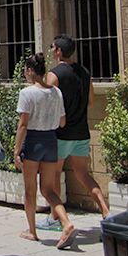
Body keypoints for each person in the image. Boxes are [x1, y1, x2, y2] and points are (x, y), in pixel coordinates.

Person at [13, 53, 77, 247]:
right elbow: (62, 121)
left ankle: (32, 231)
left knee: (30, 189)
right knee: (49, 189)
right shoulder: (56, 92)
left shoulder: (27, 93)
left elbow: (23, 125)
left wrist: (16, 152)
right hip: (51, 140)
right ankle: (65, 223)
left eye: (25, 70)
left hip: (33, 141)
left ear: (31, 71)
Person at [45, 33, 111, 219]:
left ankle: (56, 218)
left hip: (61, 133)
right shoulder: (85, 73)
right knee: (83, 174)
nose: (51, 50)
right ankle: (105, 211)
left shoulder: (54, 74)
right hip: (82, 131)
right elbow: (90, 103)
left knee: (56, 173)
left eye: (52, 47)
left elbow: (49, 104)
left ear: (58, 51)